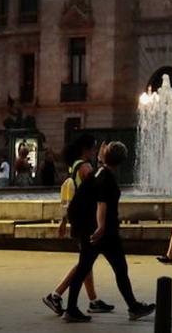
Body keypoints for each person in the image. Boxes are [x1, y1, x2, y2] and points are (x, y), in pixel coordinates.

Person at [64, 141, 156, 322]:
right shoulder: (106, 178)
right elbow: (101, 204)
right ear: (121, 161)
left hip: (89, 227)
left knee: (88, 267)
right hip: (100, 232)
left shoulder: (99, 172)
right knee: (116, 268)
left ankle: (72, 309)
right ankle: (132, 307)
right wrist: (101, 226)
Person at [44, 136, 113, 317]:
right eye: (93, 148)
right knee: (85, 262)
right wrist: (102, 160)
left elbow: (71, 195)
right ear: (87, 149)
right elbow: (98, 185)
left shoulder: (74, 166)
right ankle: (56, 294)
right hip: (86, 221)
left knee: (86, 261)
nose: (93, 151)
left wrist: (64, 220)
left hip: (79, 220)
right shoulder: (84, 167)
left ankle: (93, 300)